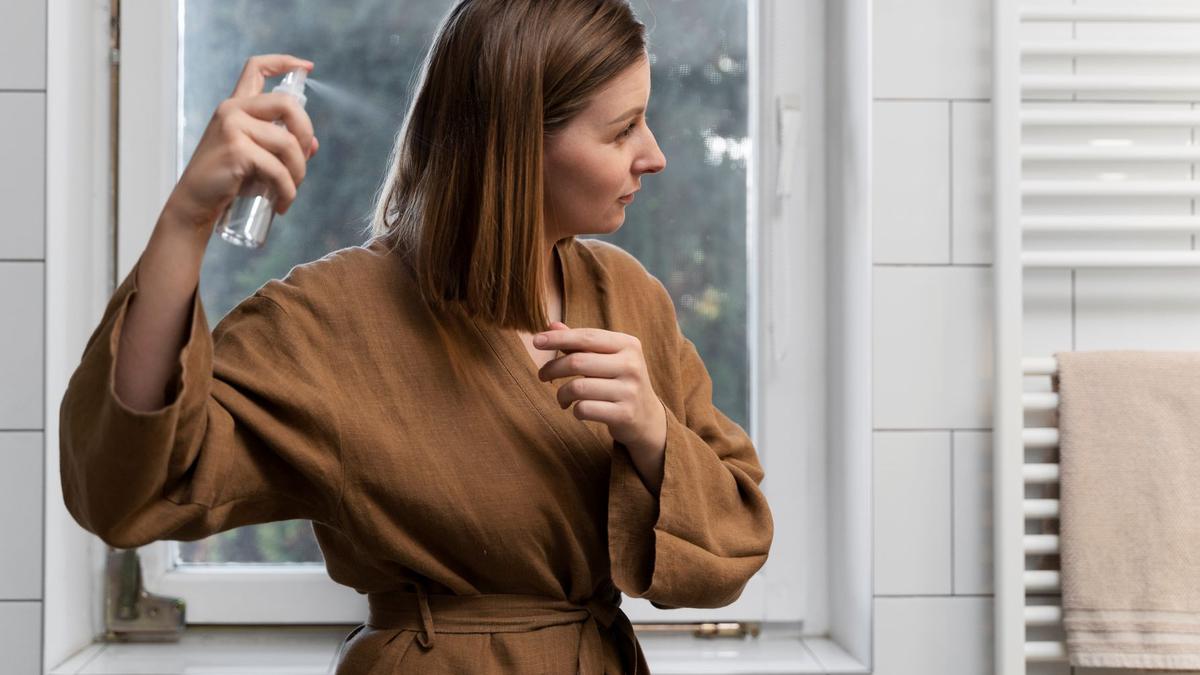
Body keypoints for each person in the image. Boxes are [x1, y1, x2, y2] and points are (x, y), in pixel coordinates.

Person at [58, 0, 774, 672]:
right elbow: (125, 490)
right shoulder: (336, 319)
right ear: (518, 144)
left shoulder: (629, 299)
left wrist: (651, 431)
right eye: (622, 130)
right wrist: (187, 217)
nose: (653, 155)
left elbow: (736, 540)